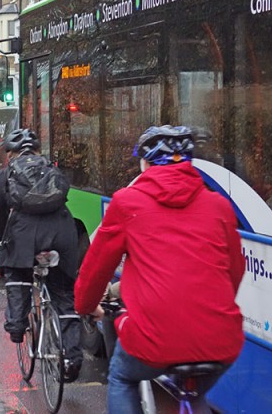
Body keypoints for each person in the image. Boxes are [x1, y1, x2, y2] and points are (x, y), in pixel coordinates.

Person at [74, 125, 245, 414]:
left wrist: (86, 306)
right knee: (195, 395)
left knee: (121, 376)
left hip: (153, 338)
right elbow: (234, 271)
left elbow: (96, 268)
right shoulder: (219, 205)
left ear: (145, 163)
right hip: (221, 337)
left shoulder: (127, 202)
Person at [0, 128, 83, 383]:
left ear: (10, 153)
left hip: (24, 238)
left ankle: (18, 326)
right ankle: (72, 359)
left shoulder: (4, 175)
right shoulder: (52, 169)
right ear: (37, 151)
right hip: (62, 235)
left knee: (18, 275)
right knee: (64, 296)